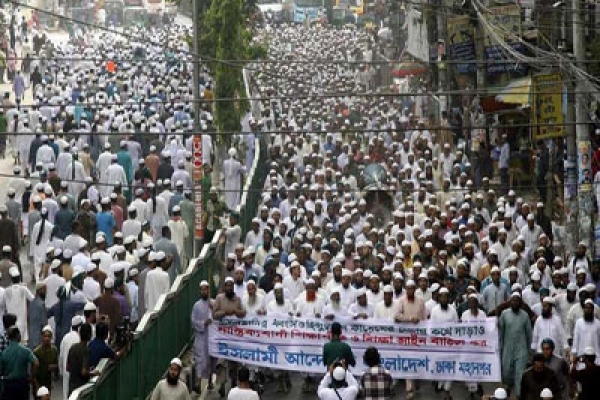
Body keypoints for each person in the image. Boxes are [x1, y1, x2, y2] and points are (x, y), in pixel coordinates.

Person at [499, 292, 532, 399]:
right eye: (513, 300)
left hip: (521, 350)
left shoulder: (525, 315)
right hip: (507, 349)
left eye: (517, 300)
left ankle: (519, 395)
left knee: (520, 375)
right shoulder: (504, 314)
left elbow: (529, 334)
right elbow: (500, 332)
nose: (515, 302)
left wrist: (529, 352)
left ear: (520, 302)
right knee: (506, 372)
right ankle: (507, 388)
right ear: (510, 302)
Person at [0, 327, 39, 400]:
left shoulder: (4, 353)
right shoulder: (25, 350)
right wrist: (31, 376)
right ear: (18, 335)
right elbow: (36, 363)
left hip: (8, 385)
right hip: (22, 383)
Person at [191, 280, 213, 393]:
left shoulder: (213, 303)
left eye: (206, 289)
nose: (204, 291)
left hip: (211, 337)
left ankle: (210, 381)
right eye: (202, 289)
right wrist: (203, 323)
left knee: (210, 360)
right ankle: (198, 384)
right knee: (200, 361)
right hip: (200, 337)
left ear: (209, 290)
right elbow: (193, 321)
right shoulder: (196, 305)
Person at [67, 323, 93, 395]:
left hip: (72, 388)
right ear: (90, 335)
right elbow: (83, 372)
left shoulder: (73, 347)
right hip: (81, 389)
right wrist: (93, 373)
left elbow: (68, 368)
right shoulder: (86, 350)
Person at [33, 325, 58, 396]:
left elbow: (57, 365)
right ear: (42, 337)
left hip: (48, 382)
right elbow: (33, 372)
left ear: (51, 337)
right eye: (45, 336)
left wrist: (54, 367)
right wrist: (36, 386)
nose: (47, 338)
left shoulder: (54, 350)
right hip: (38, 381)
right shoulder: (37, 351)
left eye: (49, 336)